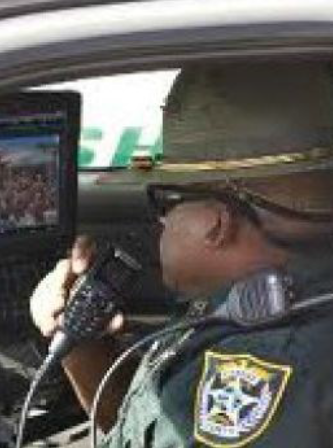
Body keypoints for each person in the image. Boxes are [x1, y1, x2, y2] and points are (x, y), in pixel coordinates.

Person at [30, 62, 333, 447]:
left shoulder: (262, 366)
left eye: (166, 204)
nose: (160, 223)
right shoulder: (275, 309)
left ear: (217, 225)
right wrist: (78, 341)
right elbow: (148, 429)